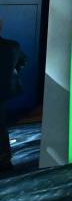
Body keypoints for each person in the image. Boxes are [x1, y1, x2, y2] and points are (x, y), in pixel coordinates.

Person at [0, 19, 26, 171]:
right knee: (1, 126)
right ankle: (4, 159)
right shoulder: (12, 46)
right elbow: (23, 61)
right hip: (4, 92)